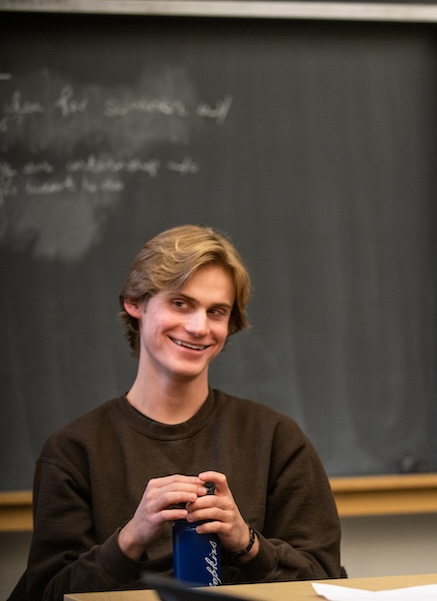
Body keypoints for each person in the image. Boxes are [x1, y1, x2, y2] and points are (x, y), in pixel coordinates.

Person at [24, 225, 342, 601]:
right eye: (180, 303)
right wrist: (129, 539)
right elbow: (46, 593)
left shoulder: (275, 438)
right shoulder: (73, 451)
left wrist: (246, 542)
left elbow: (326, 581)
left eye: (216, 312)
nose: (198, 327)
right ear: (135, 303)